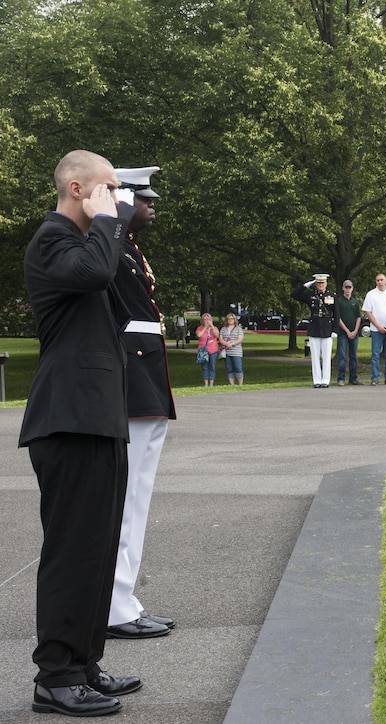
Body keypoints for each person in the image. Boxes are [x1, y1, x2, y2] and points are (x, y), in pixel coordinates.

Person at [19, 150, 142, 717]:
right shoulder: (52, 239)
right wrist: (112, 222)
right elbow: (94, 272)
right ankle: (56, 675)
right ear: (76, 187)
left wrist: (116, 226)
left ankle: (84, 664)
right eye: (110, 189)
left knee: (97, 547)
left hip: (95, 415)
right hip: (67, 418)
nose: (120, 199)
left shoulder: (89, 241)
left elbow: (110, 283)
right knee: (72, 549)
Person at [102, 166, 176, 643]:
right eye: (143, 199)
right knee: (127, 501)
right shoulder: (111, 248)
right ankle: (114, 606)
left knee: (136, 500)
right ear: (125, 202)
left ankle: (122, 599)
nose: (152, 207)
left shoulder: (130, 250)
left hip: (146, 381)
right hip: (132, 382)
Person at [292, 273, 337, 387]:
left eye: (322, 283)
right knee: (315, 356)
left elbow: (337, 314)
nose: (320, 285)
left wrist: (335, 330)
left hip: (327, 328)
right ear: (315, 284)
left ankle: (325, 380)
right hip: (314, 328)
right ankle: (317, 380)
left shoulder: (332, 296)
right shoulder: (310, 296)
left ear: (326, 283)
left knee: (326, 357)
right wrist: (306, 285)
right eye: (318, 283)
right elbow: (294, 294)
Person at [362, 273, 386, 385]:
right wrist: (378, 326)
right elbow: (367, 312)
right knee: (375, 354)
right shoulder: (371, 295)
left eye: (381, 280)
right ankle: (375, 378)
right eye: (377, 280)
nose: (380, 282)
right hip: (376, 330)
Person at [335, 279, 363, 385]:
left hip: (354, 333)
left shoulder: (355, 302)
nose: (348, 289)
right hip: (343, 333)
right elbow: (338, 318)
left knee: (353, 356)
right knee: (342, 356)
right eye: (346, 287)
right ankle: (341, 378)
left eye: (349, 287)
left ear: (352, 288)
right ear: (343, 288)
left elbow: (358, 317)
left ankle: (353, 378)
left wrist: (355, 330)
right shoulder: (339, 301)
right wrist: (347, 331)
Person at [219, 311, 245, 385]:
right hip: (226, 351)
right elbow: (220, 339)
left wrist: (232, 344)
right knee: (229, 368)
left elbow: (240, 339)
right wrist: (226, 344)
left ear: (234, 320)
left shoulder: (238, 329)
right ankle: (232, 384)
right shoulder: (223, 329)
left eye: (232, 319)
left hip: (236, 351)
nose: (230, 320)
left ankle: (240, 384)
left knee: (238, 367)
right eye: (228, 319)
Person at [195, 313, 220, 386]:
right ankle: (206, 383)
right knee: (205, 367)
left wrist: (211, 326)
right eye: (205, 319)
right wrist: (205, 327)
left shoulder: (214, 328)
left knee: (212, 366)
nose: (207, 321)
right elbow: (199, 335)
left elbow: (217, 335)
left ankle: (211, 383)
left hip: (213, 349)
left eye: (208, 319)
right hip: (203, 350)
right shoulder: (199, 328)